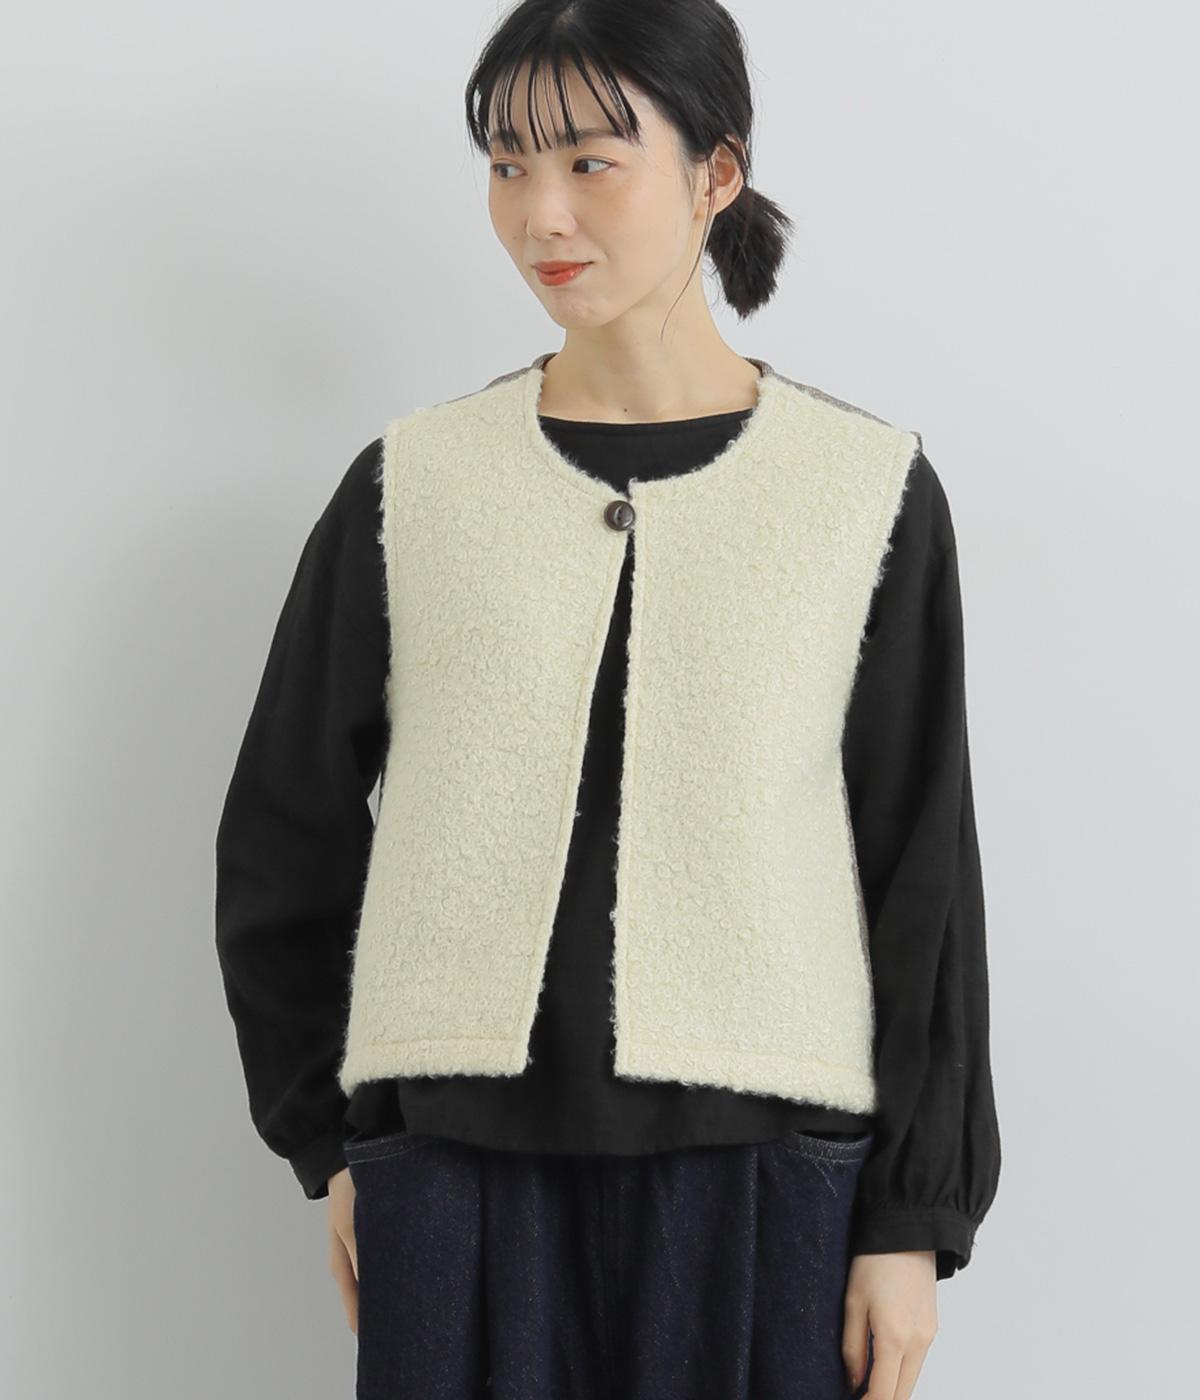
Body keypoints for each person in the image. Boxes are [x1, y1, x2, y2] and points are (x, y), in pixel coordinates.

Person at [215, 2, 1001, 1397]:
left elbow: (921, 870)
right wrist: (330, 1143)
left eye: (591, 161)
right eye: (508, 167)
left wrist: (907, 1220)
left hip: (770, 1175)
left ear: (716, 173)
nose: (542, 216)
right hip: (451, 1170)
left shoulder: (864, 491)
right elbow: (285, 830)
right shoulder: (414, 483)